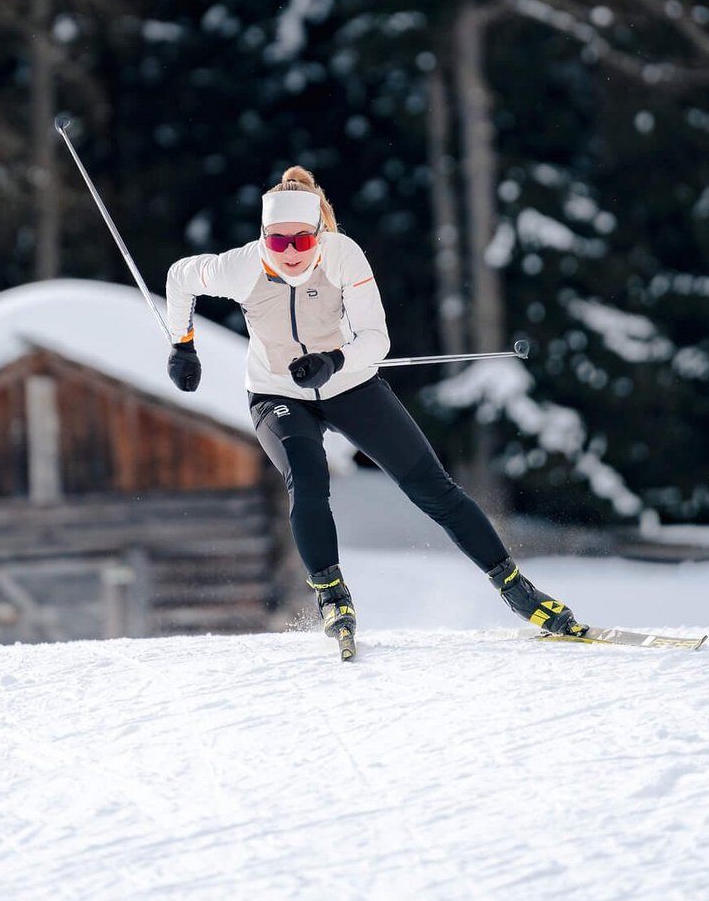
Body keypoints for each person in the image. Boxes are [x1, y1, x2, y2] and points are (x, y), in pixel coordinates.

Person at [162, 165, 588, 655]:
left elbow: (376, 338)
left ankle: (516, 589)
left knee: (432, 487)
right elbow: (180, 278)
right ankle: (332, 596)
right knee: (307, 476)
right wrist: (183, 345)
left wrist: (333, 361)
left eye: (301, 242)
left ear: (320, 234)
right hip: (277, 393)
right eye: (277, 244)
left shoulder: (344, 256)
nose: (291, 254)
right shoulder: (240, 267)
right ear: (263, 239)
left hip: (348, 381)